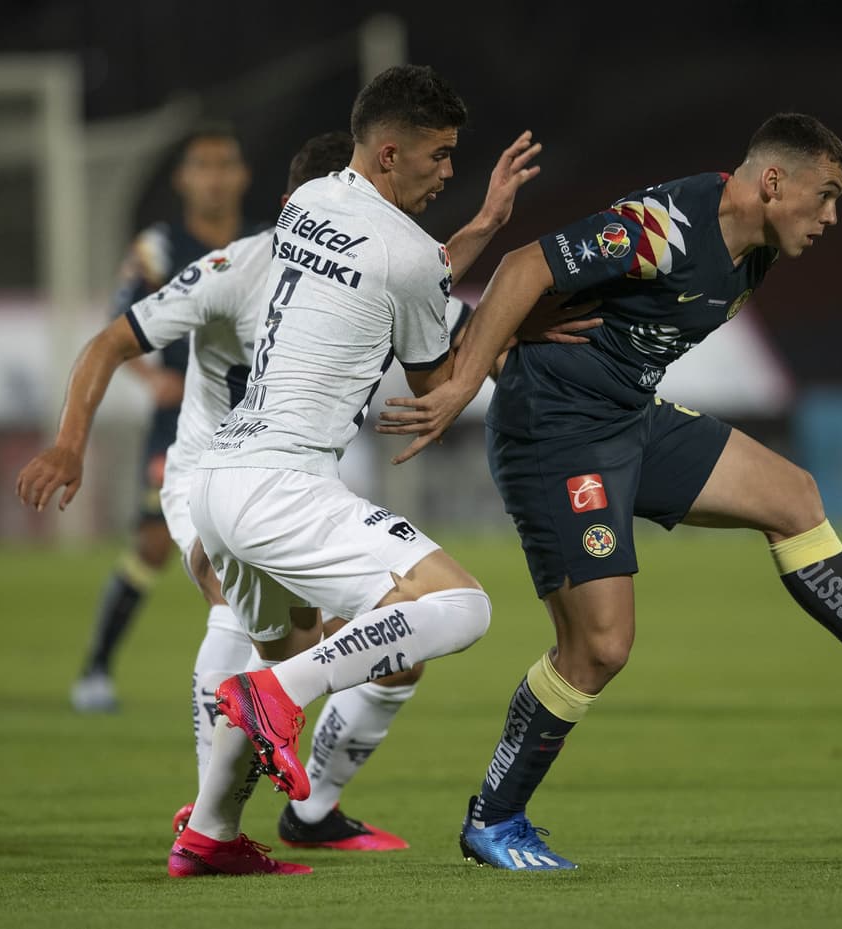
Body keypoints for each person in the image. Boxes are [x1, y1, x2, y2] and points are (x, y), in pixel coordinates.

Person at [376, 113, 842, 870]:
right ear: (771, 182)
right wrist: (465, 381)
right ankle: (493, 819)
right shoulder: (664, 228)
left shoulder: (756, 248)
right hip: (558, 437)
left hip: (628, 417)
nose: (831, 217)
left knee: (792, 496)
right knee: (599, 647)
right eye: (823, 196)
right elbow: (526, 265)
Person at [169, 64, 559, 878]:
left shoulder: (310, 202)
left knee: (289, 646)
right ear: (389, 154)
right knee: (461, 605)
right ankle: (279, 698)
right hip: (285, 484)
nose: (449, 171)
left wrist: (480, 226)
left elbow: (391, 267)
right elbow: (435, 383)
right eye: (440, 155)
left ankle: (209, 832)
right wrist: (504, 321)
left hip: (222, 478)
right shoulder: (411, 255)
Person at [19, 131, 456, 852]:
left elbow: (431, 289)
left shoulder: (365, 270)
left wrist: (482, 231)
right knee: (229, 594)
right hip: (210, 476)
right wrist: (70, 443)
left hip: (297, 481)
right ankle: (207, 815)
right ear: (301, 206)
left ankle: (313, 811)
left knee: (401, 638)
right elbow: (109, 341)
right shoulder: (233, 268)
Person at [70, 125, 252, 713]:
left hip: (249, 419)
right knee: (153, 542)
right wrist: (153, 379)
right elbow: (117, 327)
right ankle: (96, 667)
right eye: (203, 166)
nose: (215, 178)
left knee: (258, 544)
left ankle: (257, 677)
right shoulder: (160, 246)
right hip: (179, 421)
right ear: (183, 180)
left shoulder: (261, 242)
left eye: (225, 165)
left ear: (242, 177)